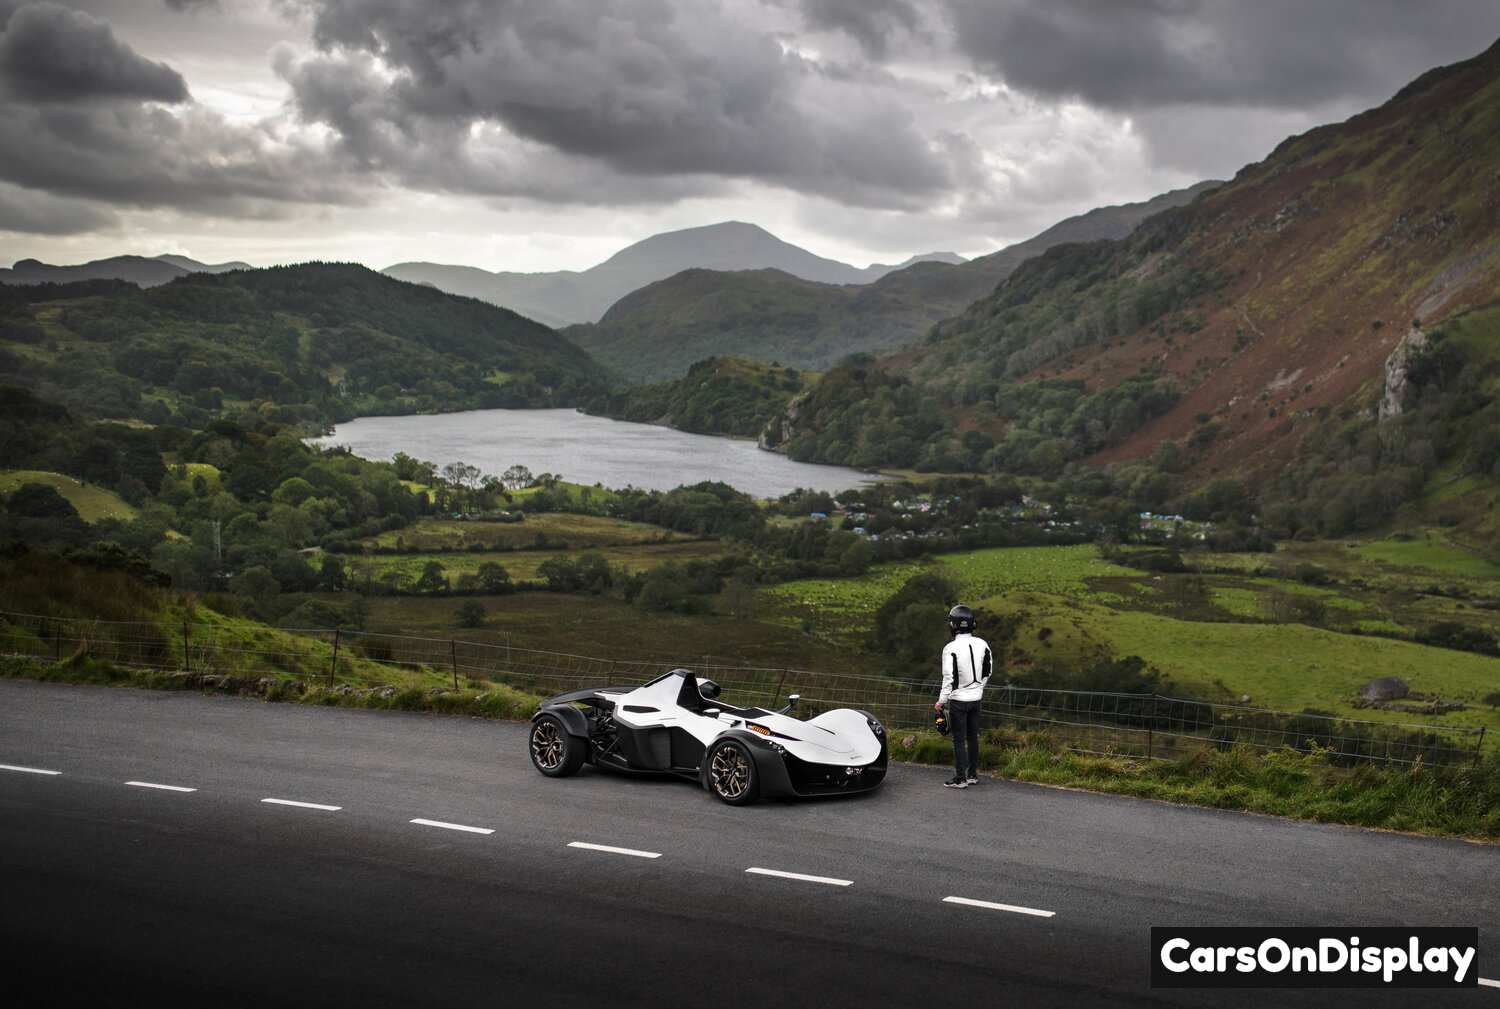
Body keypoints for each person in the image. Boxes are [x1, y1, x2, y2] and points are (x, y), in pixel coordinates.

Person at [935, 604, 991, 789]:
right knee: (972, 737)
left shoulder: (950, 648)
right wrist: (979, 688)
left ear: (953, 625)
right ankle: (972, 774)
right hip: (976, 699)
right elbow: (988, 671)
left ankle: (960, 778)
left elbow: (949, 678)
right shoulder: (983, 644)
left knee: (958, 739)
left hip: (958, 700)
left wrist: (941, 701)